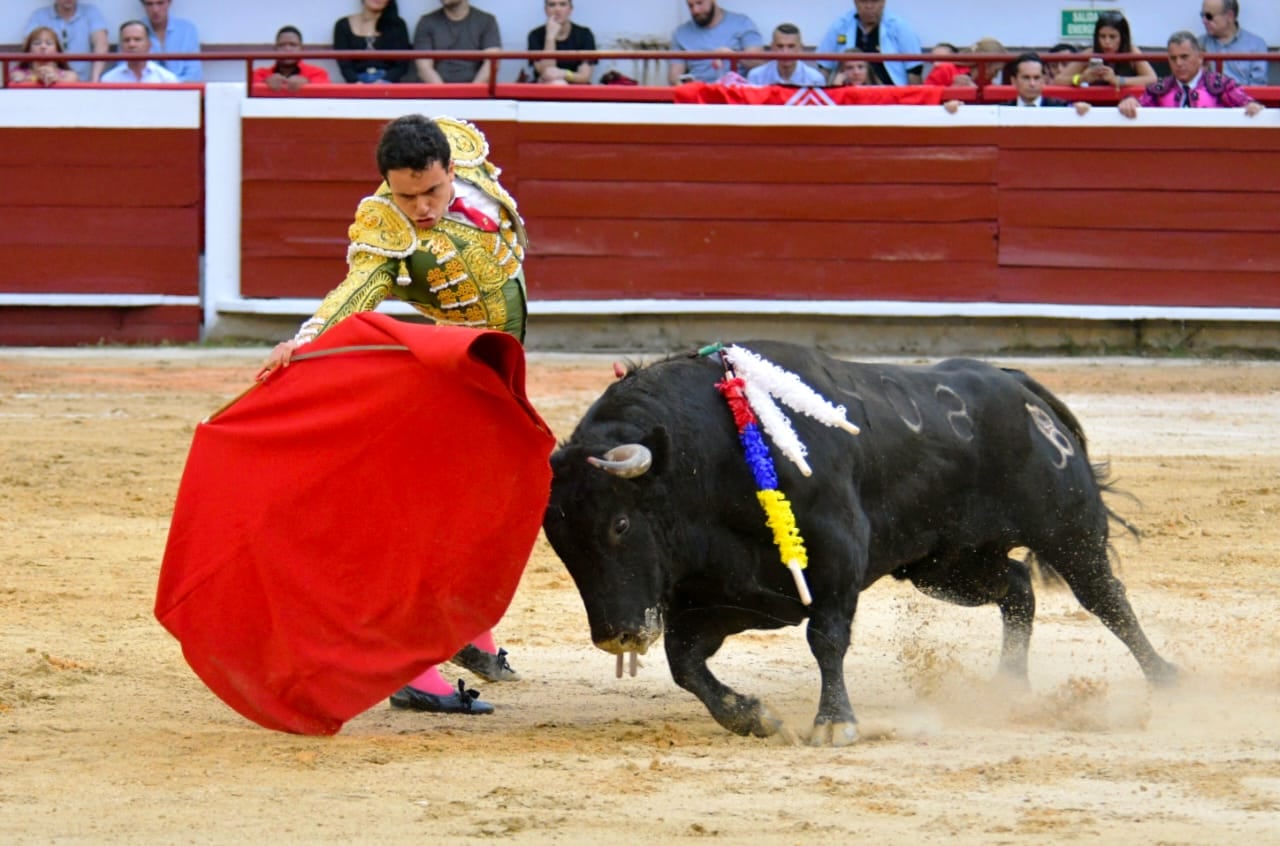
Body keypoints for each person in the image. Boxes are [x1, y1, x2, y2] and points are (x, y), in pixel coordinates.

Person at [257, 115, 529, 714]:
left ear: (451, 170)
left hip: (500, 373)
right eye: (405, 196)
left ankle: (464, 629)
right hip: (453, 373)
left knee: (483, 509)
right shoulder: (386, 227)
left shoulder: (464, 151)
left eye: (431, 191)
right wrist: (303, 344)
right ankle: (412, 663)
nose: (421, 207)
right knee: (434, 519)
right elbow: (353, 292)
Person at [1118, 30, 1265, 118]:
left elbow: (1248, 103)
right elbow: (1139, 104)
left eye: (1184, 57)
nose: (1179, 63)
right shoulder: (1159, 89)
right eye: (1173, 58)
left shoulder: (1220, 85)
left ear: (1200, 57)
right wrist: (1130, 101)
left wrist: (1252, 106)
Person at [817, 0, 923, 86]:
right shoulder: (840, 26)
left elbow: (914, 70)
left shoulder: (900, 27)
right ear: (855, 2)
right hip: (849, 97)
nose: (868, 6)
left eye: (874, 1)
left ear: (883, 2)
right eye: (863, 1)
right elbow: (823, 68)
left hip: (890, 97)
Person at [1053, 10, 1157, 89]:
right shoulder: (1090, 53)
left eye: (1112, 37)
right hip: (1095, 108)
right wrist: (1082, 78)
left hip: (1126, 108)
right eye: (1102, 36)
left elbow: (1152, 79)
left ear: (1122, 37)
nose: (1107, 42)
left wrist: (1118, 80)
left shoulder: (1132, 51)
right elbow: (1058, 80)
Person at [667, 0, 764, 85]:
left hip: (735, 94)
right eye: (690, 6)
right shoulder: (681, 33)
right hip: (699, 96)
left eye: (699, 3)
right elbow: (674, 78)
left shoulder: (742, 23)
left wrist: (732, 55)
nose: (695, 10)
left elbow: (758, 62)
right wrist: (687, 90)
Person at [413, 0, 502, 85]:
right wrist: (446, 96)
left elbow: (491, 64)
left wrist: (471, 94)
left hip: (477, 95)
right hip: (437, 95)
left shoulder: (487, 21)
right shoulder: (426, 22)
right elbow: (424, 69)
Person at [23, 0, 109, 82]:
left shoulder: (91, 12)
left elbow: (101, 45)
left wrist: (94, 81)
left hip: (84, 85)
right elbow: (29, 45)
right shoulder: (39, 16)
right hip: (49, 83)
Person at [333, 0, 412, 84]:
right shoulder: (342, 25)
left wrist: (383, 82)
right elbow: (344, 64)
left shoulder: (397, 25)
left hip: (388, 82)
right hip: (357, 82)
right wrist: (356, 82)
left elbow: (401, 65)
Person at [1197, 0, 1268, 87]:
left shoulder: (1256, 45)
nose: (1204, 21)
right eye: (1202, 15)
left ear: (1229, 16)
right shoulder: (1198, 44)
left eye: (1209, 16)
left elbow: (1258, 86)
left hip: (1243, 98)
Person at [525, 0, 596, 85]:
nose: (557, 9)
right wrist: (550, 37)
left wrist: (564, 74)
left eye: (563, 4)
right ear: (545, 10)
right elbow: (547, 72)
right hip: (546, 87)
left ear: (570, 9)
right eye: (552, 5)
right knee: (556, 83)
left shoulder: (584, 34)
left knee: (559, 83)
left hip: (576, 88)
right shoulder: (535, 35)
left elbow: (585, 76)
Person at [1000, 52, 1091, 114]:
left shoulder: (1061, 108)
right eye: (1026, 78)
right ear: (1013, 81)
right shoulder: (1001, 111)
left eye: (1037, 78)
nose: (1032, 83)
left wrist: (1080, 108)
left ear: (1044, 80)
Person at [252, 26, 332, 91]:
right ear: (275, 49)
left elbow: (327, 92)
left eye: (293, 45)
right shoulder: (259, 74)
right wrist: (264, 83)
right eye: (282, 45)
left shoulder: (318, 73)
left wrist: (308, 83)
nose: (287, 49)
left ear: (302, 49)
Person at [100, 20, 180, 83]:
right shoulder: (109, 80)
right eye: (126, 40)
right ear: (121, 46)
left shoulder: (166, 79)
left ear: (149, 45)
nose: (132, 44)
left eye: (137, 39)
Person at [139, 0, 201, 82]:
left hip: (181, 90)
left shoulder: (187, 30)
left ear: (169, 2)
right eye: (149, 4)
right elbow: (124, 70)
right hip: (145, 90)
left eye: (160, 3)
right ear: (143, 5)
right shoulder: (133, 31)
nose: (155, 10)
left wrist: (172, 86)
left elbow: (194, 74)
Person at [745, 23, 825, 87]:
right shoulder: (756, 76)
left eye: (791, 46)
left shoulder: (814, 79)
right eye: (780, 46)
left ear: (801, 48)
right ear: (772, 47)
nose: (785, 52)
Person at [10, 26, 80, 86]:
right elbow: (16, 79)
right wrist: (35, 78)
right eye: (37, 43)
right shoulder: (18, 73)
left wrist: (56, 79)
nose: (43, 46)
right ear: (29, 50)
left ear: (57, 51)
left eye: (49, 43)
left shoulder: (69, 75)